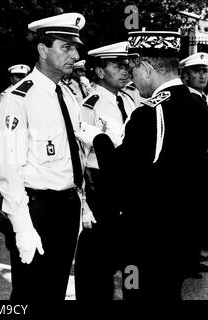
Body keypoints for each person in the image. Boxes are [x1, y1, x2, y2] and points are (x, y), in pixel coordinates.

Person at [75, 30, 208, 300]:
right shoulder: (197, 105)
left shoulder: (150, 113)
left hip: (148, 240)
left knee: (137, 292)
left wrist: (99, 139)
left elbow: (120, 175)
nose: (131, 75)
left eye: (133, 67)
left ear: (146, 68)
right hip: (183, 234)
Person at [0, 12, 86, 300]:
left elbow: (75, 156)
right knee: (30, 291)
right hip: (37, 209)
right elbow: (8, 169)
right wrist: (21, 226)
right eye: (66, 47)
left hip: (68, 207)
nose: (74, 54)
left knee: (56, 287)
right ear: (43, 50)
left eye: (75, 48)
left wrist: (83, 202)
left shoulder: (68, 95)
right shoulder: (18, 97)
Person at [74, 41, 138, 300]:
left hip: (129, 189)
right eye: (117, 66)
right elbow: (80, 158)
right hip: (101, 190)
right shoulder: (90, 106)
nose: (125, 71)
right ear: (100, 72)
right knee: (97, 264)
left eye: (126, 66)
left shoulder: (131, 100)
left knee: (130, 262)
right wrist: (84, 207)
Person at [179, 52, 208, 277]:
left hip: (201, 169)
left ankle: (193, 259)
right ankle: (188, 263)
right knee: (189, 218)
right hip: (191, 170)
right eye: (196, 71)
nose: (202, 75)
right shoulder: (186, 101)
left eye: (205, 71)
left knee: (197, 217)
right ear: (185, 76)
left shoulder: (201, 98)